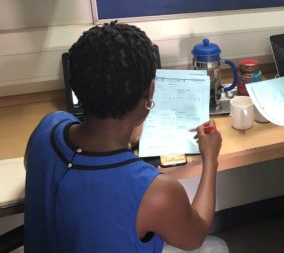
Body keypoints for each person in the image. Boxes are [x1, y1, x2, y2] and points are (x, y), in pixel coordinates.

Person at [24, 21, 227, 253]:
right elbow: (195, 236)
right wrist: (210, 159)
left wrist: (126, 137)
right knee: (216, 247)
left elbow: (36, 162)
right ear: (150, 92)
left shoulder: (48, 127)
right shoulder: (156, 191)